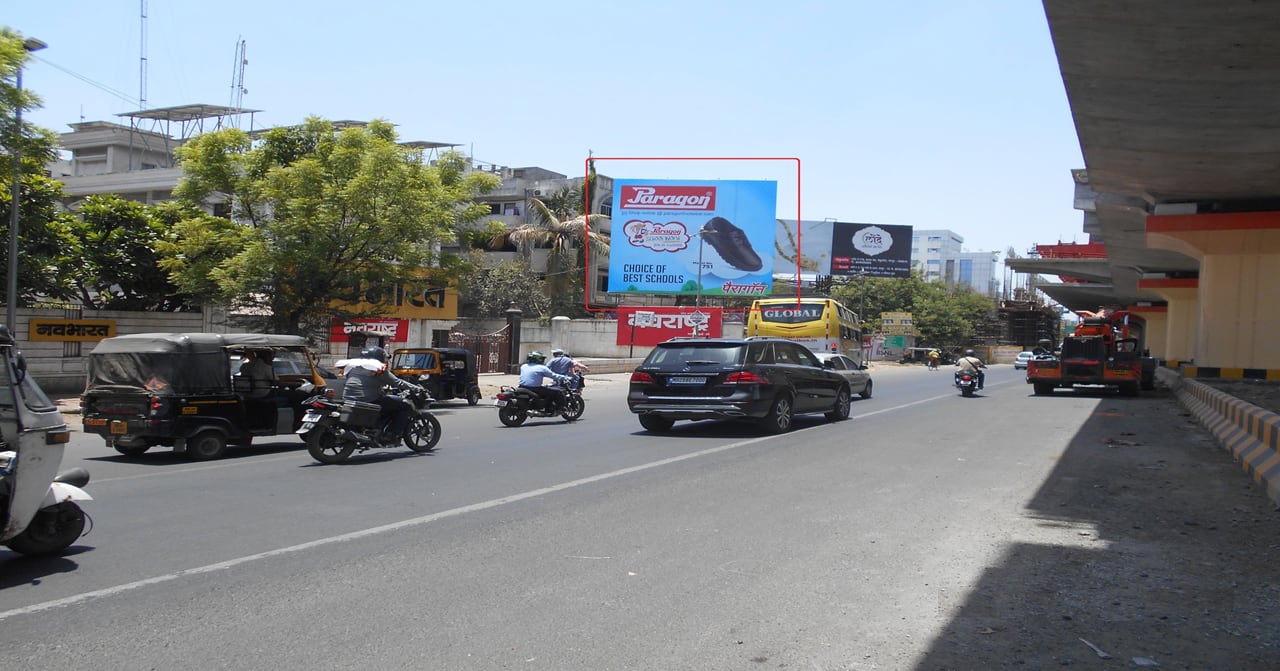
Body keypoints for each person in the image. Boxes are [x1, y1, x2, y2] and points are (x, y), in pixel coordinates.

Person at [340, 346, 420, 444]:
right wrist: (416, 388)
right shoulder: (378, 368)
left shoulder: (353, 366)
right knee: (405, 405)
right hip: (368, 400)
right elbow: (397, 382)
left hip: (347, 399)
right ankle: (392, 434)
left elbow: (362, 382)